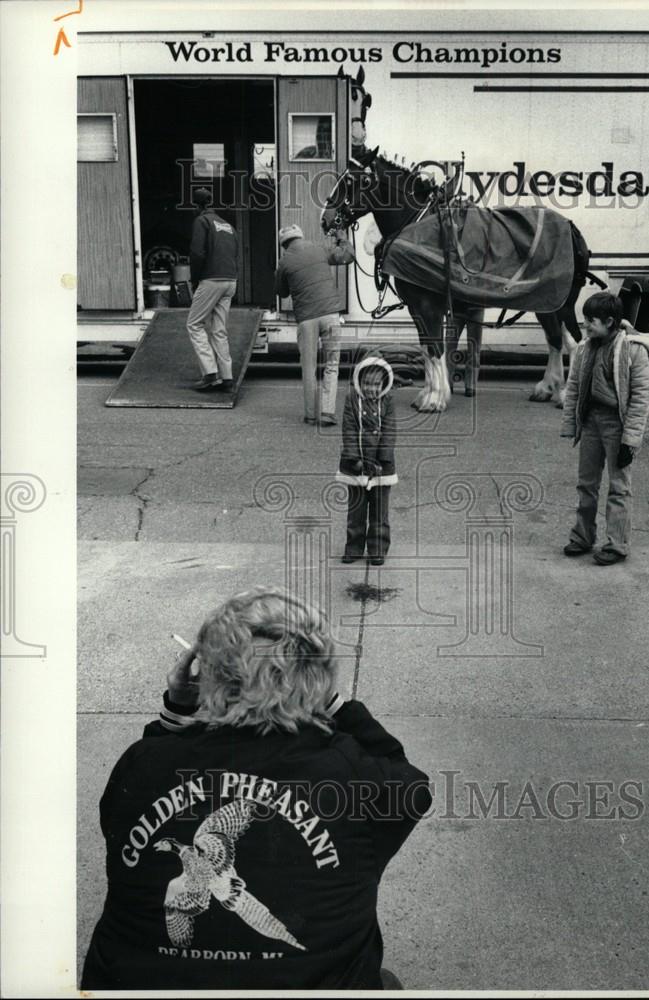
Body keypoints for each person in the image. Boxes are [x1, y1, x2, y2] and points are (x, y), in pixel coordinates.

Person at [81, 586, 431, 990]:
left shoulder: (140, 765)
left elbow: (148, 770)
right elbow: (413, 790)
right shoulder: (348, 772)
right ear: (315, 679)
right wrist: (333, 704)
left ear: (206, 675)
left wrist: (177, 710)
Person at [560, 291, 649, 565]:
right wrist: (571, 423)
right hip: (592, 423)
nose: (585, 326)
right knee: (586, 484)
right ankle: (583, 537)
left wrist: (630, 442)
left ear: (609, 321)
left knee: (619, 487)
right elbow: (573, 387)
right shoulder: (585, 348)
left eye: (590, 321)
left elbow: (641, 397)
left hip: (618, 425)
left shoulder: (634, 350)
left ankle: (617, 545)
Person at [275, 225, 354, 425]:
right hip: (330, 314)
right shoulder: (319, 248)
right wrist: (342, 238)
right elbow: (347, 256)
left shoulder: (284, 262)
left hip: (307, 319)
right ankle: (327, 413)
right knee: (332, 364)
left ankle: (310, 415)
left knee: (308, 368)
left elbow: (281, 292)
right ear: (301, 236)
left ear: (283, 244)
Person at [336, 356, 397, 566]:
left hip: (381, 465)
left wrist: (383, 458)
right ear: (359, 382)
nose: (371, 388)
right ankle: (353, 547)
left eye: (375, 384)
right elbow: (349, 429)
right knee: (356, 511)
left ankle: (377, 549)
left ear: (383, 384)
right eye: (367, 384)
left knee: (379, 511)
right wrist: (354, 458)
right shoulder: (351, 399)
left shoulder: (387, 401)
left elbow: (389, 431)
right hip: (356, 464)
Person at [186, 188, 239, 391]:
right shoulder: (227, 225)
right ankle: (227, 376)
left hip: (211, 279)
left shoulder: (202, 221)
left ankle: (210, 374)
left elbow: (197, 252)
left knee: (194, 324)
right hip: (230, 280)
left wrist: (195, 279)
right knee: (219, 329)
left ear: (196, 205)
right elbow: (234, 253)